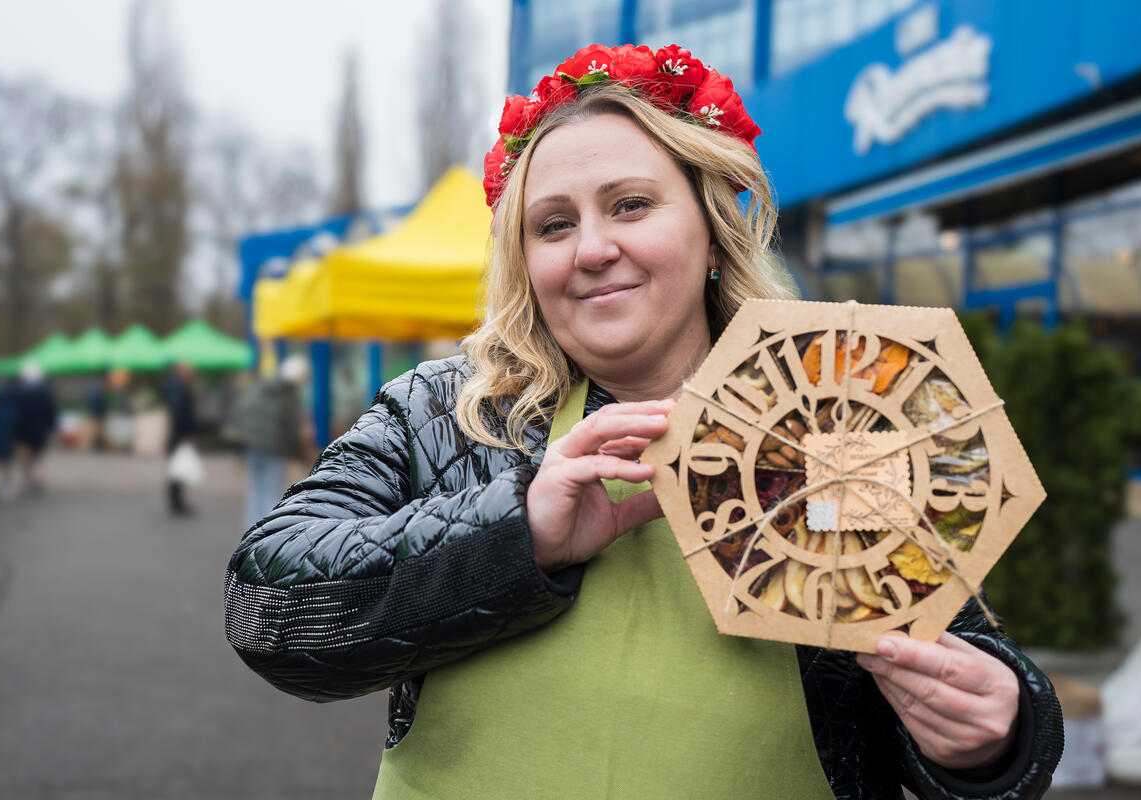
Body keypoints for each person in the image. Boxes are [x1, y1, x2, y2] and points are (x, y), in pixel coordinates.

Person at [225, 44, 1062, 799]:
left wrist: (993, 737)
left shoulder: (844, 423)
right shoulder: (446, 411)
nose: (591, 249)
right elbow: (266, 607)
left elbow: (956, 660)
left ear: (709, 228)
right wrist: (520, 533)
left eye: (630, 205)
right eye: (554, 225)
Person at [231, 354, 309, 528]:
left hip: (252, 445)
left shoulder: (260, 386)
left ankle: (251, 529)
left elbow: (240, 409)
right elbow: (292, 427)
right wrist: (298, 453)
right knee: (271, 492)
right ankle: (267, 534)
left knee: (256, 490)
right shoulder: (289, 395)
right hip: (274, 449)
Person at [13, 360, 58, 493]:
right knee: (38, 455)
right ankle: (36, 477)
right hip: (40, 429)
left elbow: (16, 411)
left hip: (23, 429)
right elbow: (51, 410)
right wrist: (52, 426)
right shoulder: (45, 391)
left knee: (25, 456)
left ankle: (28, 478)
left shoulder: (19, 390)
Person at [162, 361, 198, 516]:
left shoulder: (175, 387)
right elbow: (180, 413)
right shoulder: (178, 388)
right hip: (178, 435)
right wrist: (184, 435)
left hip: (176, 434)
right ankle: (177, 503)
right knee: (178, 469)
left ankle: (177, 502)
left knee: (177, 468)